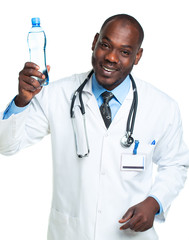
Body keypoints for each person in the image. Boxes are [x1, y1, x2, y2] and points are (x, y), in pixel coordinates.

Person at [0, 13, 188, 240]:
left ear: (137, 56)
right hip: (71, 232)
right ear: (94, 42)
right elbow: (7, 146)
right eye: (105, 45)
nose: (111, 57)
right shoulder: (56, 95)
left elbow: (176, 164)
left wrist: (155, 202)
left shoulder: (162, 106)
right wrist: (22, 100)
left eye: (125, 52)